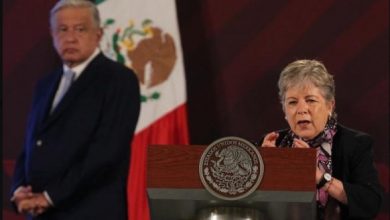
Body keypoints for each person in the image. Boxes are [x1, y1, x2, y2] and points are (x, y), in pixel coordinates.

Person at [10, 0, 140, 219]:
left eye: (80, 29)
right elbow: (31, 146)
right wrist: (19, 189)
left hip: (89, 212)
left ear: (98, 35)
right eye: (62, 29)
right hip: (40, 213)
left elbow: (106, 153)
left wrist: (50, 197)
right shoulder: (45, 84)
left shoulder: (118, 79)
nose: (70, 38)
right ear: (52, 35)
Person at [261, 59, 383, 219]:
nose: (301, 109)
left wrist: (320, 177)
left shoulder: (355, 144)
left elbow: (371, 203)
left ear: (330, 106)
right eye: (292, 102)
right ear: (284, 110)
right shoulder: (273, 145)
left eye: (310, 100)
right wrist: (264, 172)